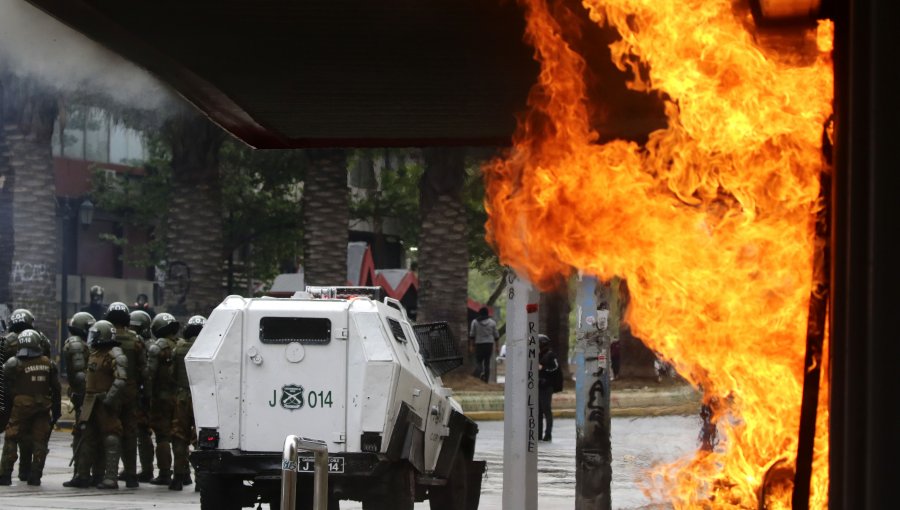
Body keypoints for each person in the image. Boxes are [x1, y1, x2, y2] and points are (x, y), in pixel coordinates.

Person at [68, 320, 128, 489]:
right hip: (90, 401)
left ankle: (110, 477)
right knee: (87, 437)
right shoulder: (94, 352)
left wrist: (109, 398)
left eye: (95, 334)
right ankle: (83, 475)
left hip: (104, 402)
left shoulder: (114, 354)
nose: (92, 337)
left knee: (111, 437)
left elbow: (121, 379)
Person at [0, 329, 61, 486]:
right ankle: (35, 476)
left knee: (12, 437)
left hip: (21, 406)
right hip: (43, 407)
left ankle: (5, 475)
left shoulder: (14, 362)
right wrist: (56, 410)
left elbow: (3, 382)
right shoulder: (49, 363)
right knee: (40, 441)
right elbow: (57, 388)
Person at [105, 302, 146, 488]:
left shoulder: (103, 335)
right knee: (130, 432)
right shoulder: (136, 340)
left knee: (110, 430)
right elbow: (143, 370)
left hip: (109, 390)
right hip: (130, 390)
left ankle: (106, 474)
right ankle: (130, 474)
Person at [169, 315, 204, 491]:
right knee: (201, 439)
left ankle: (178, 477)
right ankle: (200, 480)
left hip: (182, 397)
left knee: (179, 436)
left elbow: (172, 375)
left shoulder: (178, 348)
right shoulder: (211, 348)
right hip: (204, 398)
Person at [146, 313, 180, 486]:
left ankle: (165, 472)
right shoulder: (179, 345)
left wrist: (147, 396)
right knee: (179, 436)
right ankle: (183, 473)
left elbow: (149, 375)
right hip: (179, 397)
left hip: (161, 398)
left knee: (163, 436)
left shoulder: (157, 347)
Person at [61, 312, 95, 486]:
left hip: (84, 397)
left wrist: (83, 400)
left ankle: (82, 475)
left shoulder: (76, 344)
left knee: (83, 435)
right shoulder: (79, 344)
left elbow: (81, 376)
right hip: (84, 396)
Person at [128, 310, 155, 482]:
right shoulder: (137, 343)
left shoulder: (149, 346)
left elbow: (148, 373)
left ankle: (147, 469)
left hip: (146, 394)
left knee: (143, 433)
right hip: (137, 392)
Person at [538, 334, 561, 442]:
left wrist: (543, 369)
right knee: (538, 411)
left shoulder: (550, 355)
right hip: (538, 386)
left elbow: (555, 368)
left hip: (546, 386)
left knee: (546, 409)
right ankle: (537, 433)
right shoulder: (538, 355)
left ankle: (548, 434)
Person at [469, 307, 499, 383]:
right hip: (489, 345)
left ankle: (478, 377)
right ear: (487, 314)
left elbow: (472, 335)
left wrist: (471, 345)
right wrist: (497, 347)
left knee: (479, 361)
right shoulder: (492, 322)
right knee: (487, 362)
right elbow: (496, 336)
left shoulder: (475, 322)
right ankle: (486, 380)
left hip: (479, 344)